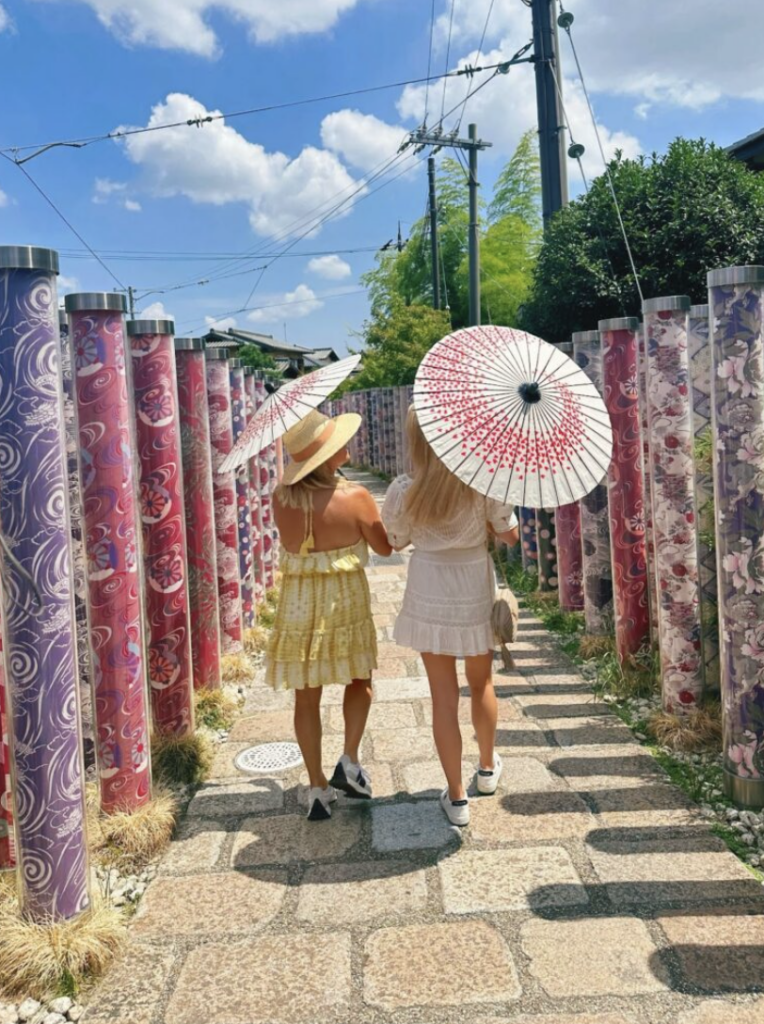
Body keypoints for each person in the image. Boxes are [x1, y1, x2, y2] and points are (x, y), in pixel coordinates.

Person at [381, 406, 520, 827]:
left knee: (443, 697)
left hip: (429, 586)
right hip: (473, 582)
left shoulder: (405, 490)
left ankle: (456, 798)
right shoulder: (484, 481)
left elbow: (397, 540)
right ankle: (486, 768)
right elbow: (510, 536)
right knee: (482, 683)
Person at [267, 409, 392, 821]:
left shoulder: (281, 497)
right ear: (326, 455)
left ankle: (317, 786)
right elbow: (385, 547)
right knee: (360, 678)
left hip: (299, 602)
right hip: (344, 599)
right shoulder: (354, 497)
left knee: (306, 694)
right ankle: (350, 759)